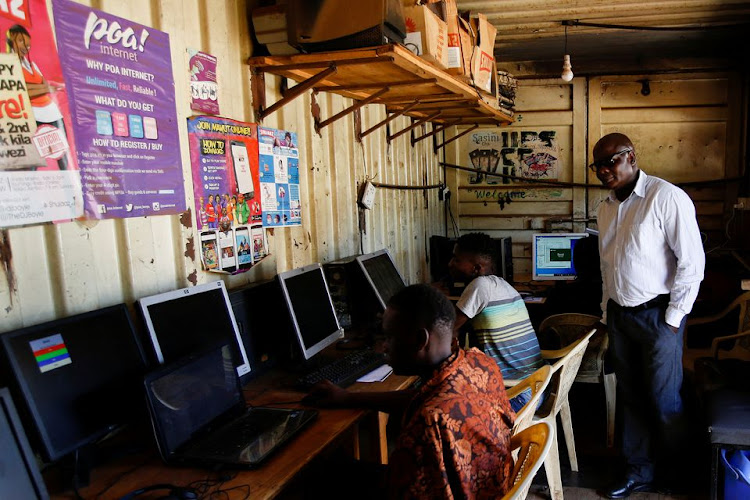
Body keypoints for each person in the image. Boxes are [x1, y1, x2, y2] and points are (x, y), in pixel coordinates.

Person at [306, 284, 516, 499]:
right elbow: (422, 398)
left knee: (318, 476)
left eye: (389, 337)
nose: (383, 348)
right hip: (490, 487)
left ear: (420, 341)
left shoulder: (428, 421)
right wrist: (348, 397)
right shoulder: (478, 362)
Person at [591, 133, 705, 498]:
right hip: (621, 317)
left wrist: (673, 320)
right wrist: (605, 311)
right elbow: (607, 265)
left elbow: (692, 263)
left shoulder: (665, 197)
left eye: (611, 161)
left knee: (664, 398)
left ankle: (679, 473)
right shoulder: (605, 207)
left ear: (631, 156)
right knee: (631, 397)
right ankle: (638, 471)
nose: (605, 170)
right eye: (599, 165)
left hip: (658, 317)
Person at [448, 232, 544, 411]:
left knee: (446, 406)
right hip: (536, 389)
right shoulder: (503, 285)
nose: (450, 264)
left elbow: (447, 330)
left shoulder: (479, 286)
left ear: (477, 268)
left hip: (516, 395)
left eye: (456, 259)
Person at [6, 24, 71, 171]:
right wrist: (43, 89)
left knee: (62, 154)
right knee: (34, 157)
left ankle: (70, 191)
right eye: (21, 41)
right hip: (31, 114)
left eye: (27, 44)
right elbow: (20, 90)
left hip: (52, 112)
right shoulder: (8, 65)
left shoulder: (32, 65)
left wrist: (39, 88)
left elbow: (43, 87)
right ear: (11, 41)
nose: (26, 46)